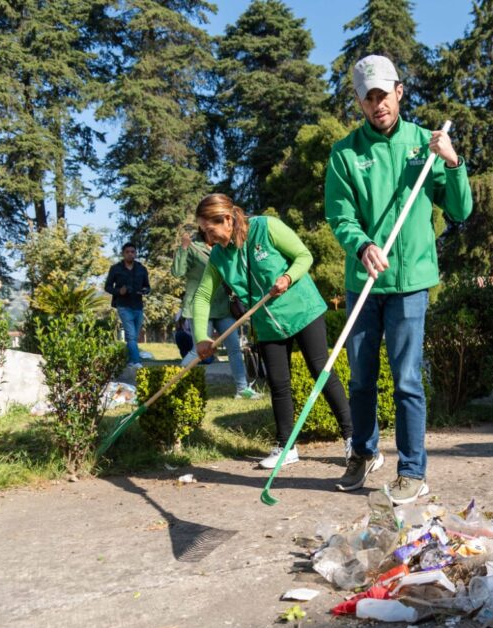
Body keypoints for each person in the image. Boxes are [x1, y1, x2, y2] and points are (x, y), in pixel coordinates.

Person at [325, 54, 473, 503]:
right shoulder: (345, 153)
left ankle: (412, 471)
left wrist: (452, 163)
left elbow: (461, 211)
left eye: (383, 95)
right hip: (364, 280)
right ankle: (364, 452)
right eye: (367, 98)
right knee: (361, 378)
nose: (377, 105)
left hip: (410, 283)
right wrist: (362, 245)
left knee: (407, 378)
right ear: (359, 101)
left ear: (399, 93)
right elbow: (340, 214)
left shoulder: (426, 144)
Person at [192, 194, 353, 471]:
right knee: (278, 384)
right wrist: (201, 338)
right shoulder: (219, 256)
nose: (207, 237)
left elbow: (304, 256)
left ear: (227, 220)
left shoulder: (266, 228)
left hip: (302, 310)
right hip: (266, 324)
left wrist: (287, 277)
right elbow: (203, 296)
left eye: (209, 230)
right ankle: (286, 446)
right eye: (203, 231)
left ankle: (354, 439)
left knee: (321, 372)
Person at [172, 228, 259, 398]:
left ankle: (242, 390)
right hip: (200, 305)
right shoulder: (192, 246)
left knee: (234, 348)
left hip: (223, 305)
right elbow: (177, 272)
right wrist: (182, 248)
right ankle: (171, 384)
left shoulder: (224, 248)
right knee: (198, 351)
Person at [104, 243, 150, 369]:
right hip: (123, 305)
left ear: (135, 253)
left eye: (133, 252)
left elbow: (147, 286)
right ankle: (136, 361)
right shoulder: (115, 268)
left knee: (134, 337)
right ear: (123, 254)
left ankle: (129, 360)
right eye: (127, 252)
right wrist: (119, 291)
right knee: (130, 335)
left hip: (138, 305)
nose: (130, 254)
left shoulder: (142, 268)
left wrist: (145, 290)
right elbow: (107, 287)